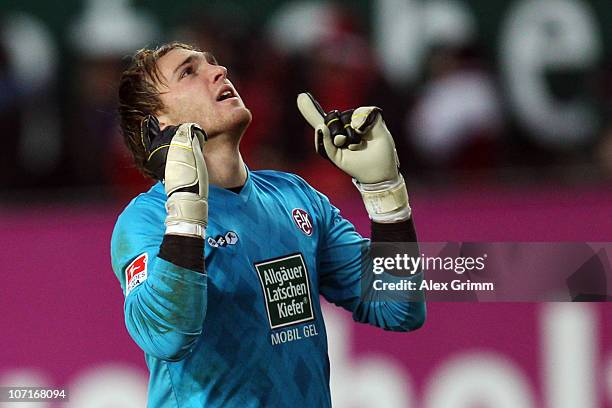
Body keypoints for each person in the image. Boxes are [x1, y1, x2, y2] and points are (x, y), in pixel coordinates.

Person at [111, 41, 425, 408]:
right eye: (188, 72)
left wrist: (384, 190)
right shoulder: (146, 219)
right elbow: (167, 335)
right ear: (159, 124)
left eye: (212, 63)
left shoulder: (295, 197)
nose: (219, 71)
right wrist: (184, 205)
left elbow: (399, 308)